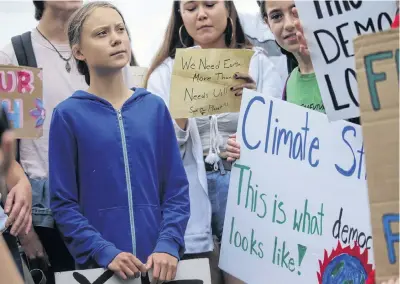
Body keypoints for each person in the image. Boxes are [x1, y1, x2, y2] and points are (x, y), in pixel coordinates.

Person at [49, 2, 190, 283]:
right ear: (78, 51)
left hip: (158, 269)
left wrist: (168, 244)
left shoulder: (154, 108)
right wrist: (103, 251)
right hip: (101, 272)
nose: (116, 38)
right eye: (101, 33)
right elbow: (63, 204)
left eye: (120, 30)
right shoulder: (67, 115)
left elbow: (176, 190)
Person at [0, 1, 139, 283]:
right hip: (45, 213)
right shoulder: (16, 53)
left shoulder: (111, 48)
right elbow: (6, 151)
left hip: (106, 203)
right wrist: (25, 232)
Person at [145, 1, 283, 283]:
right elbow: (157, 149)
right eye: (191, 7)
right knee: (201, 274)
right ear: (180, 16)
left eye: (210, 4)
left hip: (246, 190)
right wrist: (181, 111)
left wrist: (254, 101)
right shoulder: (164, 73)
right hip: (190, 195)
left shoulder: (257, 62)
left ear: (228, 9)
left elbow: (277, 133)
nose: (202, 14)